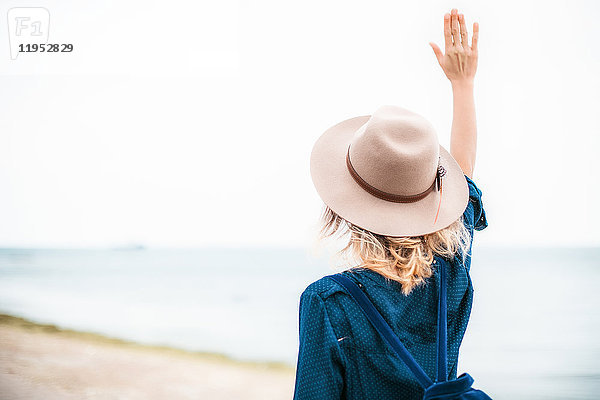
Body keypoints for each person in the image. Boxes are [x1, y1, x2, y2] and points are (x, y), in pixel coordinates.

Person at [293, 8, 488, 400]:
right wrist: (463, 85)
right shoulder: (451, 271)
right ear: (435, 196)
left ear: (342, 208)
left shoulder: (329, 303)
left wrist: (461, 83)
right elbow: (465, 177)